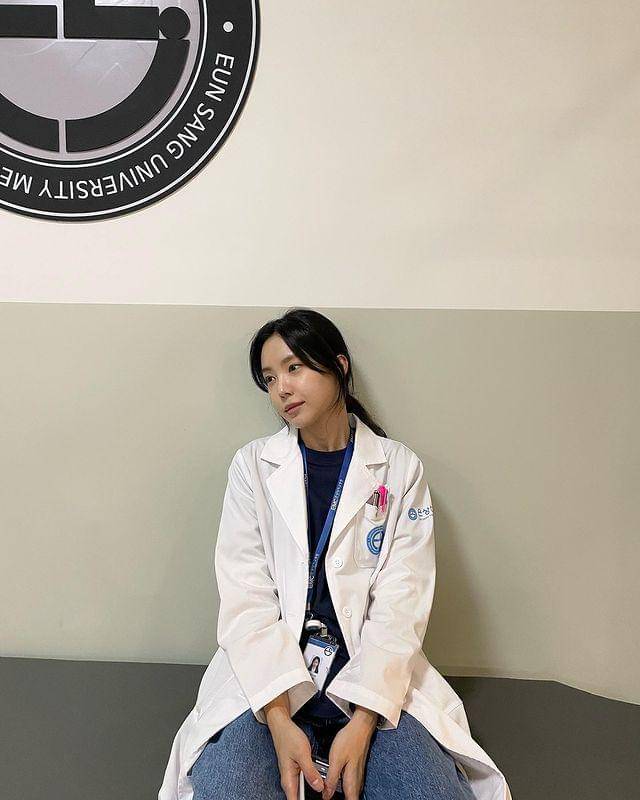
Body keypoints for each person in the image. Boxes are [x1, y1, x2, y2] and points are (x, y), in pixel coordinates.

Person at [158, 308, 512, 800]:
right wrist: (279, 720)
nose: (281, 388)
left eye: (294, 368)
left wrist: (364, 722)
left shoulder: (399, 468)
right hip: (271, 687)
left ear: (339, 366)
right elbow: (246, 600)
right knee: (227, 790)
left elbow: (402, 603)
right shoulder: (252, 467)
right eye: (269, 378)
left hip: (371, 688)